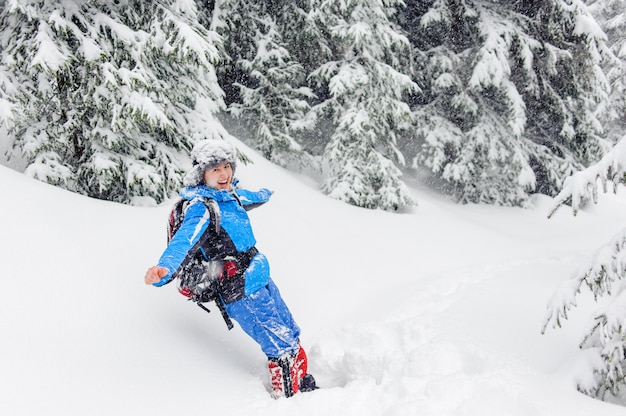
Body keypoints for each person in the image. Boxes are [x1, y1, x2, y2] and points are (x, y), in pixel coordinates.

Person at [144, 139, 317, 398]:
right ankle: (291, 401)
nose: (224, 174)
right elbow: (183, 242)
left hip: (259, 275)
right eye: (215, 169)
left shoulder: (229, 196)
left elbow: (248, 197)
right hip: (240, 289)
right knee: (278, 346)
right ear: (201, 173)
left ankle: (301, 380)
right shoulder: (202, 208)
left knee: (290, 331)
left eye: (227, 166)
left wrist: (264, 194)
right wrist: (164, 270)